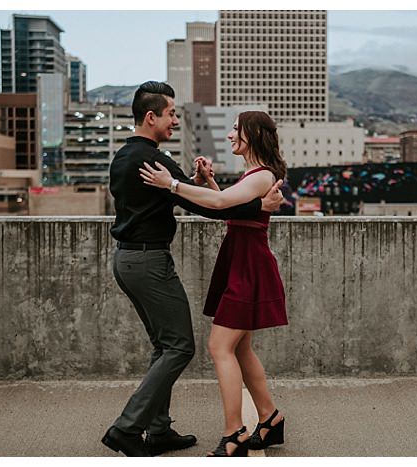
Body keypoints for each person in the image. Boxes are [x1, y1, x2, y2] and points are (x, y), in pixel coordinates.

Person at [101, 82, 284, 457]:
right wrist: (255, 206)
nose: (175, 120)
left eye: (236, 128)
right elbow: (214, 204)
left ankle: (262, 419)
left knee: (194, 346)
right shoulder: (152, 160)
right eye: (171, 114)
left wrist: (186, 184)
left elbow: (214, 202)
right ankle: (129, 427)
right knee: (182, 345)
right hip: (150, 260)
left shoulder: (126, 156)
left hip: (137, 258)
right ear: (150, 117)